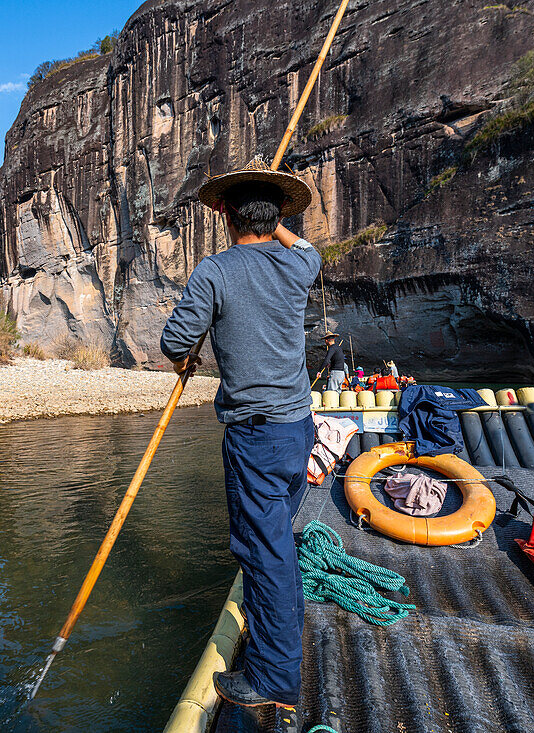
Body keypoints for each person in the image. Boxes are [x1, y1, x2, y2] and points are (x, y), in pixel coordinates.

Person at [160, 158, 317, 713]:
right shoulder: (299, 266)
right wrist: (273, 219)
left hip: (256, 436)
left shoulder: (216, 272)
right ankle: (274, 631)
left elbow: (175, 341)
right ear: (276, 218)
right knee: (276, 543)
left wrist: (191, 349)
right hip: (299, 429)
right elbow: (305, 249)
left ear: (224, 213)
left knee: (264, 552)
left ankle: (274, 678)